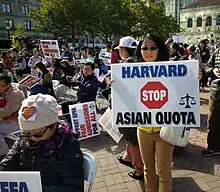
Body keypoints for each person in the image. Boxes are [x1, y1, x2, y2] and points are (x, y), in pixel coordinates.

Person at [0, 94, 84, 192]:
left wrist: (36, 189)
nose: (31, 138)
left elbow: (74, 188)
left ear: (53, 125)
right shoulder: (23, 140)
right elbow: (9, 161)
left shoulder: (68, 146)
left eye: (37, 134)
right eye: (26, 133)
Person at [136, 34, 174, 192]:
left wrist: (195, 78)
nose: (148, 51)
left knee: (164, 172)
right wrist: (115, 85)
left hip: (165, 130)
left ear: (159, 49)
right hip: (143, 129)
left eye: (153, 47)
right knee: (147, 169)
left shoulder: (173, 71)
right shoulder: (131, 72)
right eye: (144, 48)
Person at [115, 36, 144, 180]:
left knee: (132, 138)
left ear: (123, 49)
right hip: (133, 107)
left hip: (128, 108)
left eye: (119, 49)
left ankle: (139, 169)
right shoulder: (138, 62)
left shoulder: (127, 65)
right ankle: (128, 157)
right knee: (129, 137)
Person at [0, 74, 24, 158]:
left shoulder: (15, 94)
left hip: (15, 122)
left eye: (1, 86)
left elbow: (6, 112)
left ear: (9, 84)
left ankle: (4, 155)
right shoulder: (3, 92)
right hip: (5, 119)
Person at [202, 47, 220, 156]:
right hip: (216, 92)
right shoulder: (217, 52)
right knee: (213, 122)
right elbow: (207, 68)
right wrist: (213, 70)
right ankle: (213, 147)